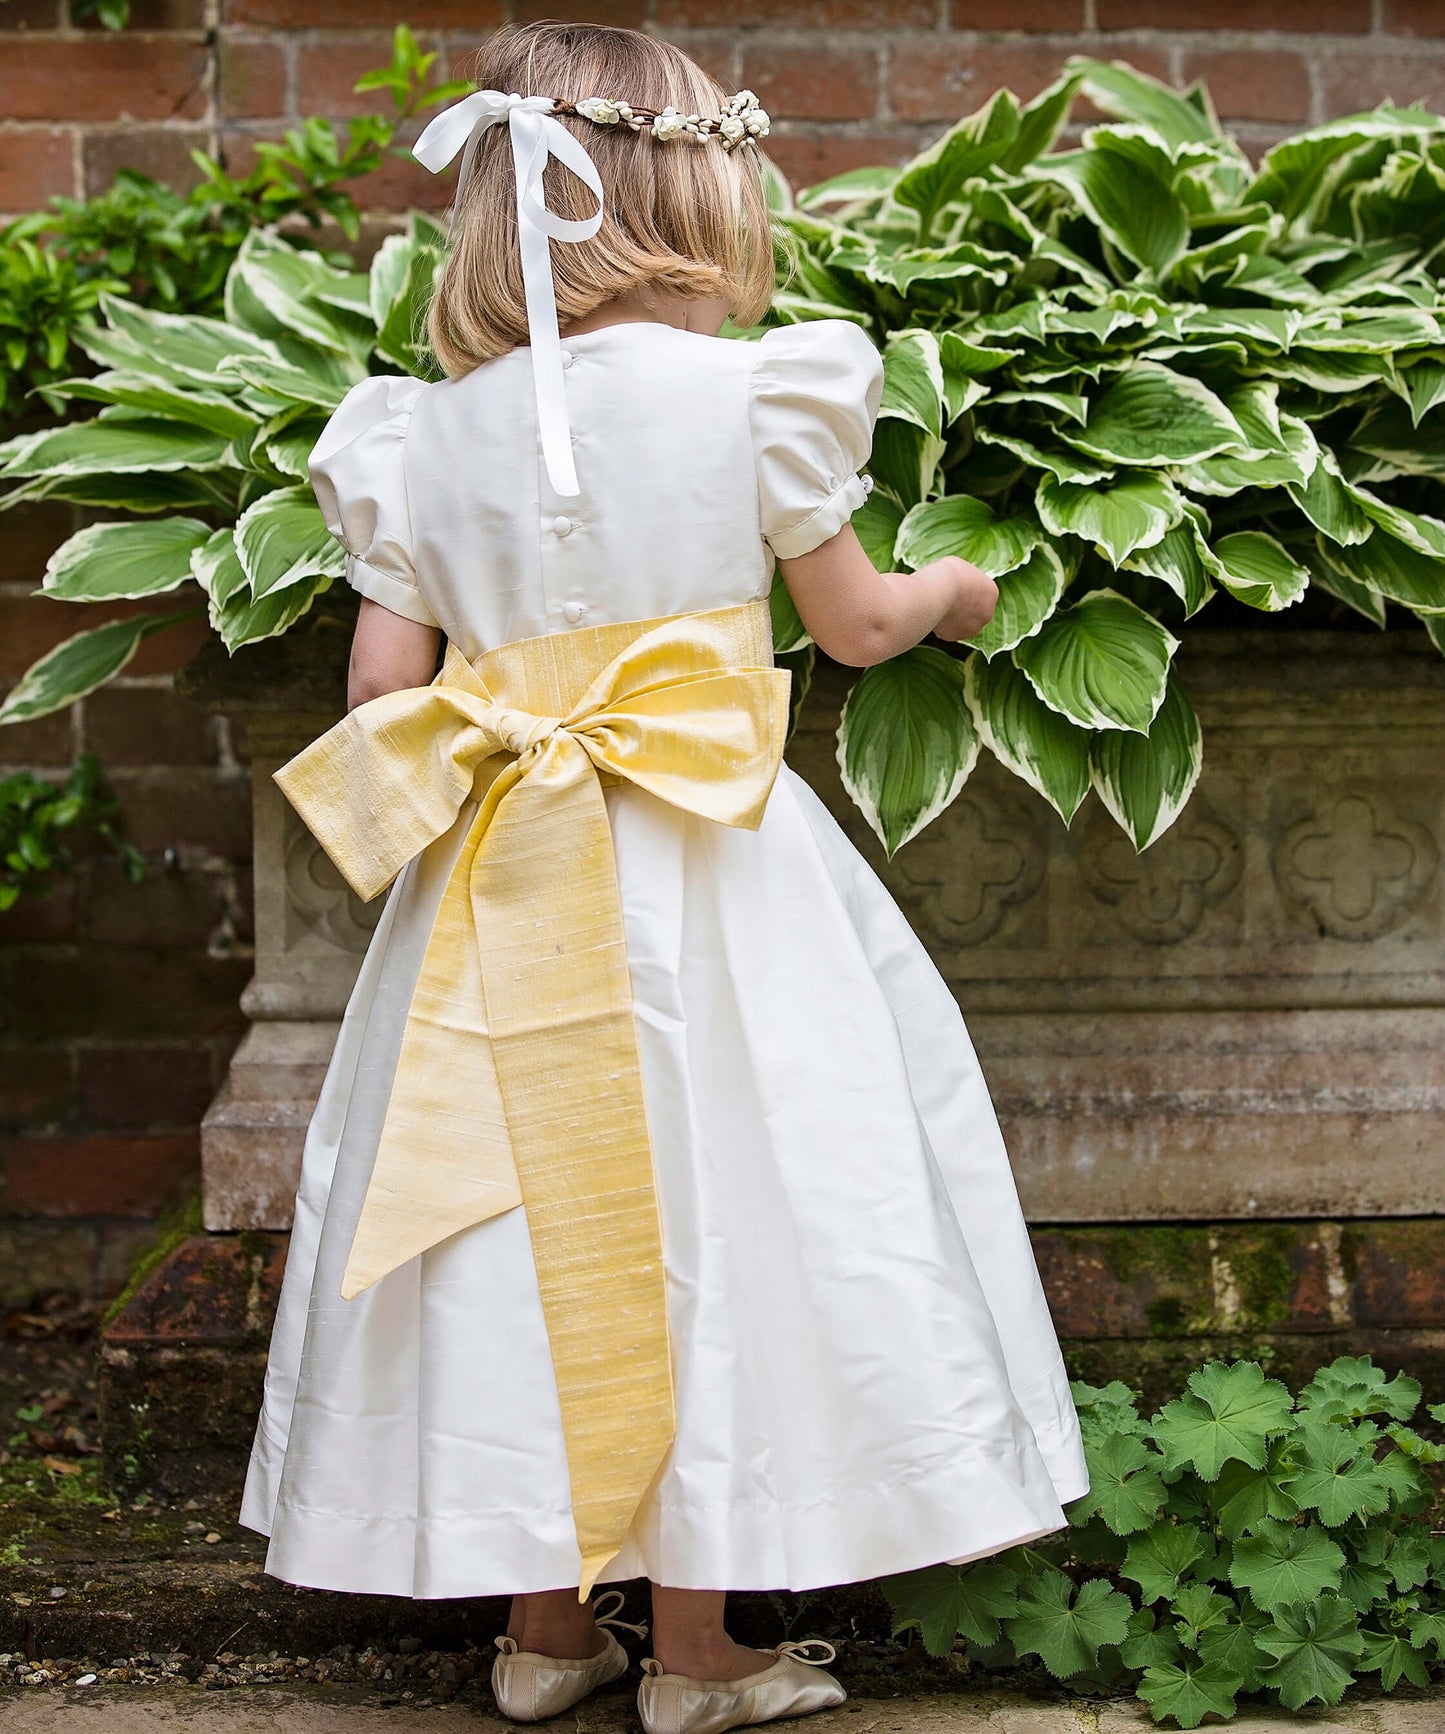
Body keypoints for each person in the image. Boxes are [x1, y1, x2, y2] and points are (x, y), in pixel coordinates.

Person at [240, 21, 1088, 1734]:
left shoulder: (420, 434)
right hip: (712, 869)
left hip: (501, 863)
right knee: (726, 1201)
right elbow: (849, 624)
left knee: (517, 1202)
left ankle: (545, 1633)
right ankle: (696, 1653)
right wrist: (952, 593)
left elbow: (379, 699)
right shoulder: (759, 391)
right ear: (699, 187)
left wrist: (521, 692)